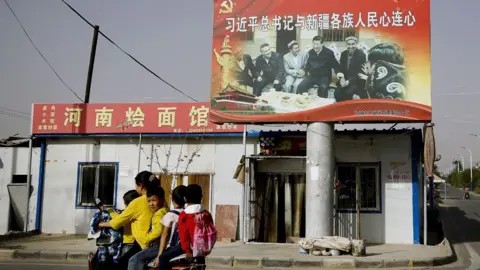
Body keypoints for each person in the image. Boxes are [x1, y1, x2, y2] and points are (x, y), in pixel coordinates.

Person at [99, 171, 160, 269]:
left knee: (111, 265)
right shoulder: (158, 198)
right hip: (156, 242)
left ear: (140, 186)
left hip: (141, 243)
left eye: (136, 185)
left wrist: (102, 224)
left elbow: (118, 222)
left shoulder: (138, 201)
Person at [128, 185, 169, 270]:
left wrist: (147, 239)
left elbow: (159, 230)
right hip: (157, 245)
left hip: (157, 246)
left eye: (154, 200)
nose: (151, 204)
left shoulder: (159, 213)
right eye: (149, 201)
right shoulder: (164, 210)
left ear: (161, 200)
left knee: (134, 260)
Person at [152, 185, 188, 269]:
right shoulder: (188, 213)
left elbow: (164, 235)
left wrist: (159, 256)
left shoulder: (169, 215)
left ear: (173, 200)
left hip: (173, 247)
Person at [178, 184, 216, 263]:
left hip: (190, 250)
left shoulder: (184, 215)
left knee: (163, 257)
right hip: (203, 248)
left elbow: (183, 235)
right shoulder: (206, 214)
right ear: (201, 197)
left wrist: (187, 251)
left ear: (185, 199)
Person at [110, 190, 140, 260]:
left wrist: (110, 211)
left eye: (125, 203)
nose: (125, 206)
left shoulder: (130, 212)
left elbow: (118, 220)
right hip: (132, 242)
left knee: (123, 262)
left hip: (129, 242)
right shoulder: (137, 211)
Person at [334, 36, 367, 102]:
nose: (351, 46)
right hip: (345, 80)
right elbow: (341, 68)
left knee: (348, 93)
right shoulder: (343, 54)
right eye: (349, 44)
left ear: (356, 44)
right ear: (346, 45)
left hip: (356, 81)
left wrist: (349, 81)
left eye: (353, 44)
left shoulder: (361, 55)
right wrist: (341, 78)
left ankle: (348, 110)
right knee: (337, 93)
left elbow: (359, 72)